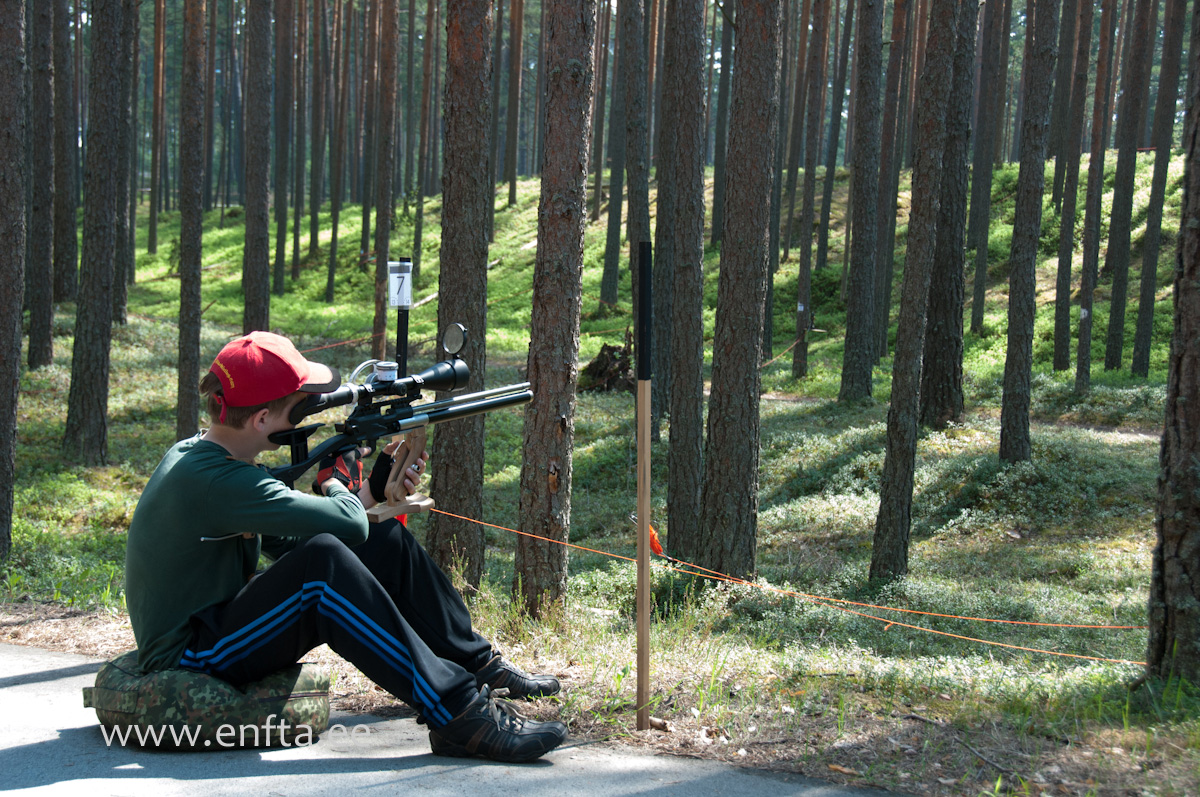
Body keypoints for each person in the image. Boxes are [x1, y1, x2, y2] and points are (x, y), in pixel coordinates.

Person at [124, 331, 567, 762]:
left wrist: (370, 489)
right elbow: (332, 529)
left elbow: (297, 537)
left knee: (380, 537)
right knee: (324, 567)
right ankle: (459, 714)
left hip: (215, 620)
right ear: (261, 421)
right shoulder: (220, 482)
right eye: (298, 409)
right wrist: (336, 481)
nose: (305, 415)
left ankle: (478, 665)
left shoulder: (202, 453)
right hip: (189, 655)